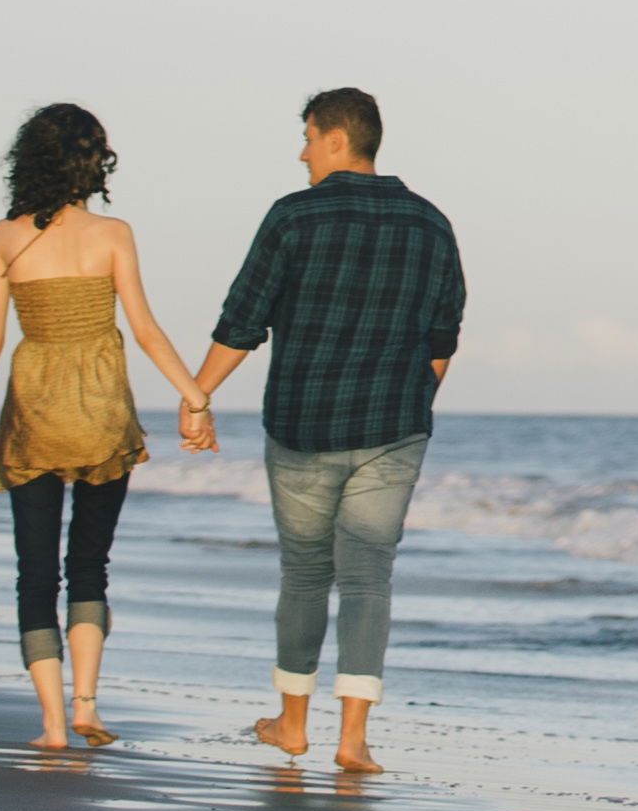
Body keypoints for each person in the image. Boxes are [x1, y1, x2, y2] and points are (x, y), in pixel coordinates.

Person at [184, 85, 465, 774]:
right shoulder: (430, 223)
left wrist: (198, 396)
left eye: (308, 136)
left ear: (338, 138)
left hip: (303, 423)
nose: (302, 151)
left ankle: (292, 723)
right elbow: (443, 336)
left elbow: (242, 318)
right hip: (393, 427)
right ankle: (353, 739)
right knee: (369, 577)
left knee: (306, 573)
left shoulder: (292, 218)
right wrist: (409, 398)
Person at [0, 102, 210, 751]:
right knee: (89, 563)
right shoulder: (114, 234)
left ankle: (51, 725)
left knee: (35, 572)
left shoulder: (5, 236)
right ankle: (88, 704)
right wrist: (195, 397)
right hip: (100, 410)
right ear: (94, 163)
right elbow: (146, 330)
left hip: (34, 411)